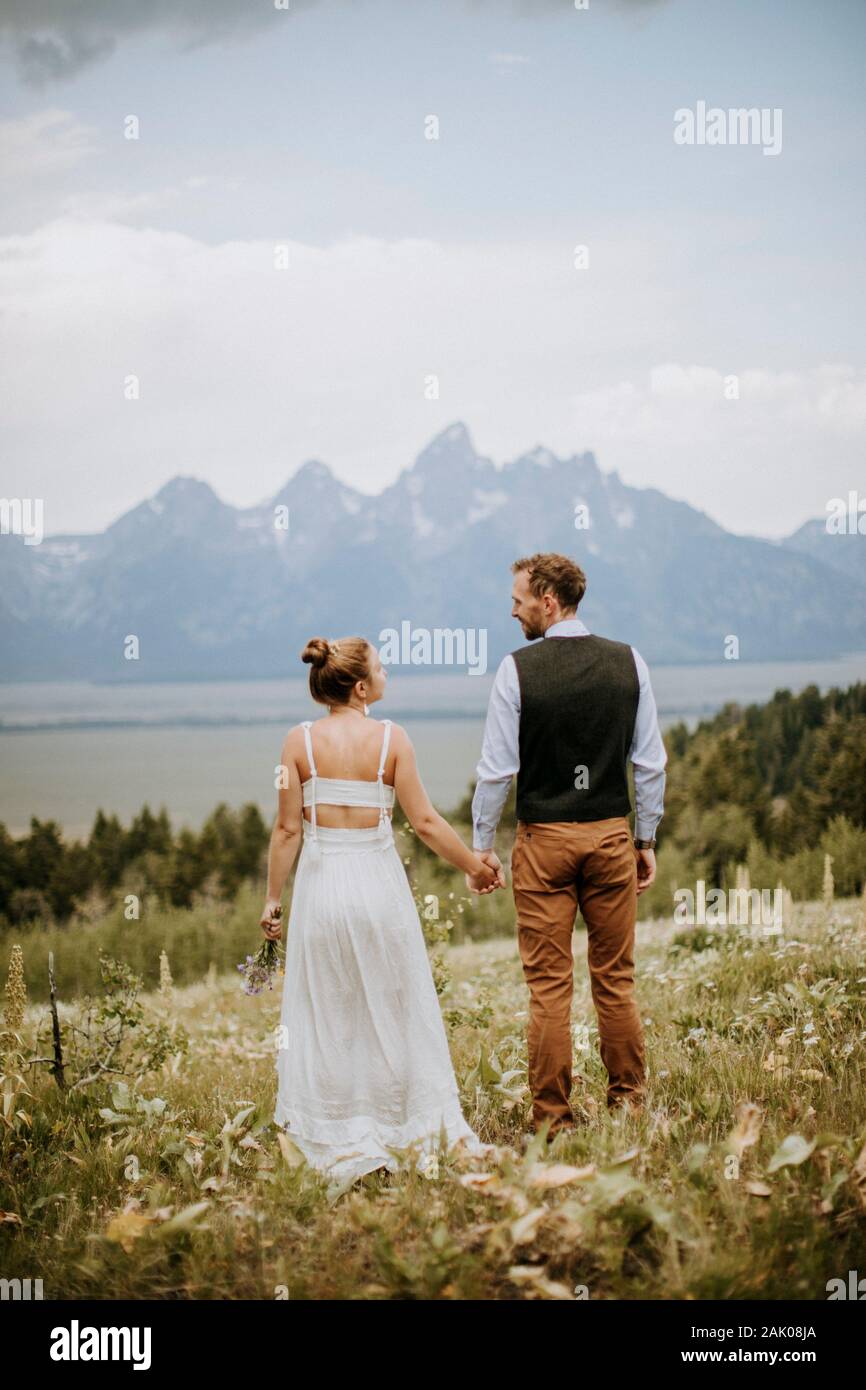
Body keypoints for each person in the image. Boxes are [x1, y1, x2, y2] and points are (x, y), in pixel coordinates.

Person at [260, 634, 500, 1185]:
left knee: (328, 1012)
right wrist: (473, 866)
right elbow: (427, 824)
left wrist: (274, 900)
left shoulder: (297, 742)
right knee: (396, 1005)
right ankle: (402, 1118)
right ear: (362, 686)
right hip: (377, 888)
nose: (388, 671)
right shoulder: (393, 740)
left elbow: (287, 828)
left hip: (321, 891)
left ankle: (336, 1127)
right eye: (381, 666)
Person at [468, 553, 667, 1138]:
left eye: (519, 600)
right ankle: (628, 1103)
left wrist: (482, 847)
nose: (512, 609)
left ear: (548, 601)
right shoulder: (628, 662)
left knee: (549, 987)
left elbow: (496, 773)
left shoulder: (516, 670)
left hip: (544, 843)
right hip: (609, 836)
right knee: (616, 977)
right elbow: (649, 763)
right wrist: (645, 837)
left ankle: (552, 1119)